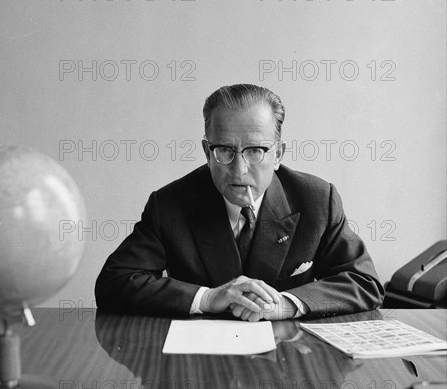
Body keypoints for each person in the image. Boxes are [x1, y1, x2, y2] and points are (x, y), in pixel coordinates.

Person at [95, 84, 383, 321]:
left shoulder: (317, 200)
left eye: (256, 150)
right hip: (199, 370)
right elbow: (114, 283)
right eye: (224, 151)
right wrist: (207, 298)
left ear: (279, 154)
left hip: (288, 368)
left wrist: (285, 304)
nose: (239, 169)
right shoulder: (170, 204)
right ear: (207, 151)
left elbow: (365, 283)